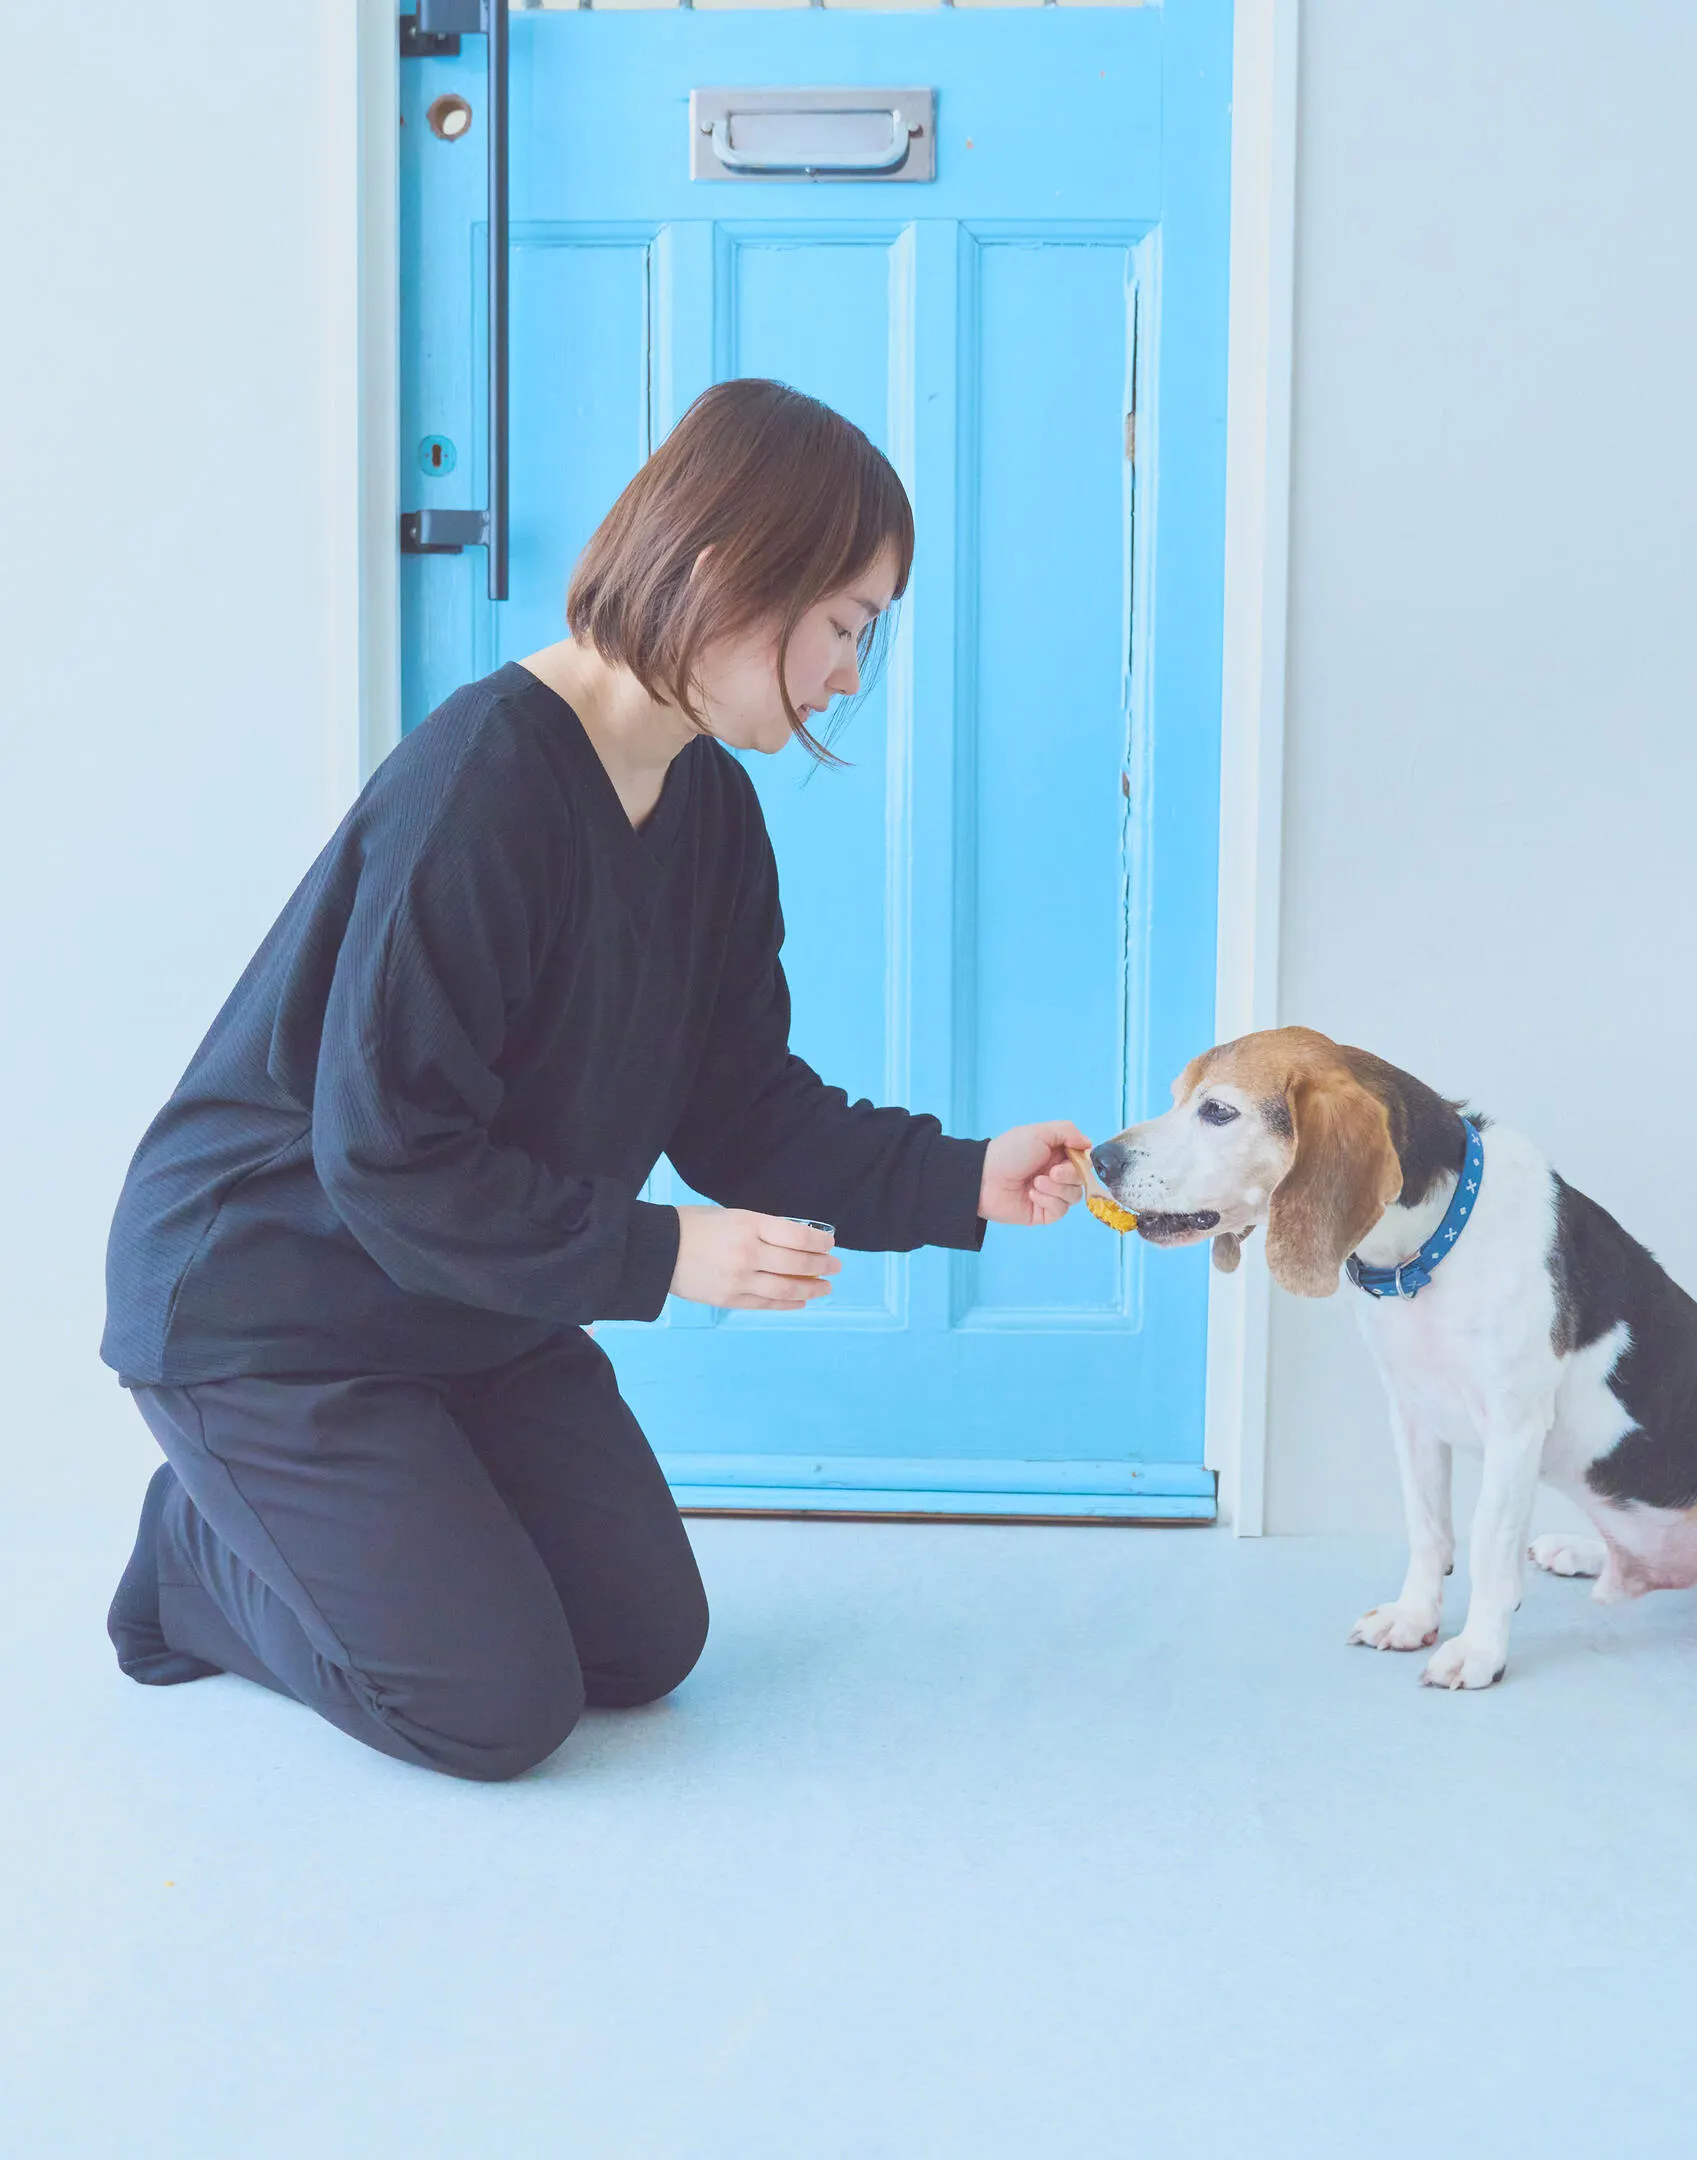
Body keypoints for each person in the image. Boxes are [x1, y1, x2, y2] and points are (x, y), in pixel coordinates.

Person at [99, 378, 1088, 1781]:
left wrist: (961, 1177)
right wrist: (663, 1252)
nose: (849, 675)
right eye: (845, 623)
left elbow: (740, 1105)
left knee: (640, 1647)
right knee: (491, 1712)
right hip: (277, 1311)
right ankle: (199, 1557)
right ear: (732, 571)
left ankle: (364, 1515)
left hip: (471, 1299)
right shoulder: (479, 786)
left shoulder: (711, 808)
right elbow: (386, 1155)